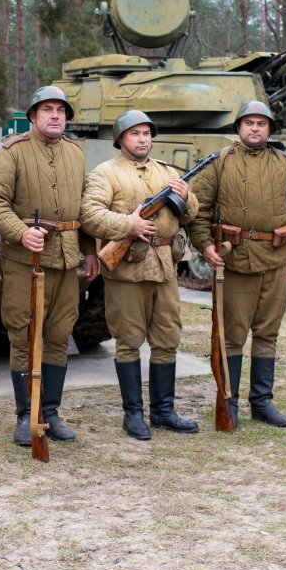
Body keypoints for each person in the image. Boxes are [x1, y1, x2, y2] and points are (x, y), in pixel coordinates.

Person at [0, 86, 99, 447]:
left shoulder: (75, 153)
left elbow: (82, 208)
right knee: (23, 334)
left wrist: (89, 250)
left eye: (60, 111)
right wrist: (21, 232)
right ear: (32, 116)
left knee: (61, 334)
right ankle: (26, 414)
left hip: (66, 261)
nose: (55, 116)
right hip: (25, 261)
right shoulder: (12, 152)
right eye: (47, 109)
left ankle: (50, 412)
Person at [188, 101, 286, 428]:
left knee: (268, 332)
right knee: (232, 336)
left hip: (275, 260)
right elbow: (198, 210)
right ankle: (228, 402)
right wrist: (205, 247)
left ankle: (262, 402)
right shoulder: (219, 162)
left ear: (269, 129)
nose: (255, 128)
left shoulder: (284, 164)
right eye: (249, 123)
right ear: (239, 127)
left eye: (261, 123)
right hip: (235, 262)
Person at [80, 110, 199, 440]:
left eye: (146, 133)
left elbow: (191, 213)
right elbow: (90, 215)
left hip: (165, 268)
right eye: (135, 133)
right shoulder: (105, 173)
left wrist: (186, 196)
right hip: (128, 269)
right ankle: (133, 414)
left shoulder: (167, 172)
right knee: (128, 341)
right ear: (121, 139)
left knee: (167, 339)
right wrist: (127, 225)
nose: (143, 139)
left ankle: (164, 411)